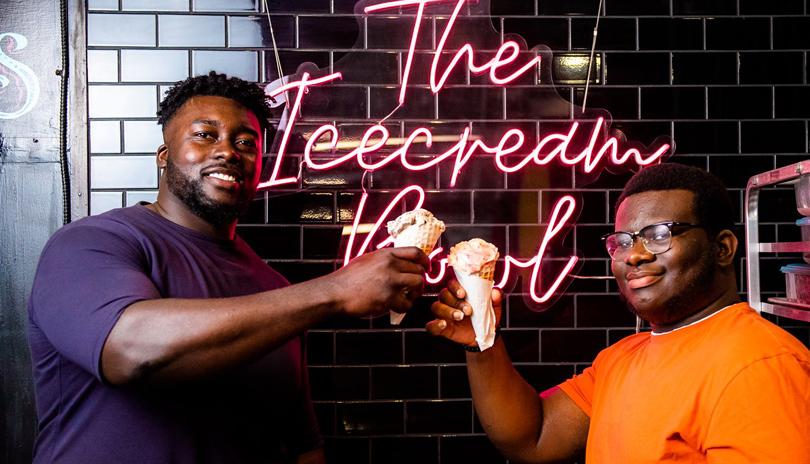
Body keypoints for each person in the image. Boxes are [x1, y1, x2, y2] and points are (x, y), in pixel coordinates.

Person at [27, 71, 430, 464]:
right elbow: (130, 352)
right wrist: (334, 291)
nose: (228, 151)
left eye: (246, 142)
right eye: (205, 135)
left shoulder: (272, 285)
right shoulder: (92, 243)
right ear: (163, 156)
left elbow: (301, 444)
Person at [428, 163, 810, 462]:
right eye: (622, 241)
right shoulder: (623, 358)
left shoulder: (761, 366)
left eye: (659, 235)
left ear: (723, 248)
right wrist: (482, 339)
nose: (634, 255)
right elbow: (535, 438)